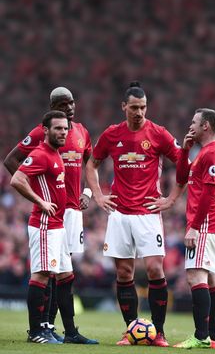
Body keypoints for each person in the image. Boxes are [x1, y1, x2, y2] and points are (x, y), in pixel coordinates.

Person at [86, 81, 183, 346]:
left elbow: (183, 163)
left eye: (143, 107)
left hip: (148, 213)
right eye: (134, 107)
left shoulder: (158, 133)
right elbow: (92, 164)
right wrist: (97, 195)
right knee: (124, 274)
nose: (139, 112)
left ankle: (159, 332)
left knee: (154, 269)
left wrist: (172, 198)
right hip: (119, 213)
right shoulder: (111, 134)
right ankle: (131, 330)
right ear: (124, 107)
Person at [4, 87, 97, 344]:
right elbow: (13, 163)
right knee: (47, 272)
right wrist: (38, 193)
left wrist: (88, 191)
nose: (68, 108)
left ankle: (66, 330)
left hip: (70, 212)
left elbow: (91, 162)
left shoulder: (79, 134)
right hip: (50, 213)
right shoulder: (42, 137)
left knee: (65, 273)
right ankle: (41, 327)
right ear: (51, 108)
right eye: (61, 104)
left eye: (70, 103)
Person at [157, 108, 215, 350]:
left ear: (206, 126)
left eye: (194, 123)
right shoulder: (203, 153)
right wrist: (185, 150)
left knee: (195, 277)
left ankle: (201, 336)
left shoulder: (213, 155)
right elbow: (182, 178)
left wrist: (195, 228)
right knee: (212, 280)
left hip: (206, 224)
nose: (191, 126)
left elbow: (208, 195)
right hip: (212, 224)